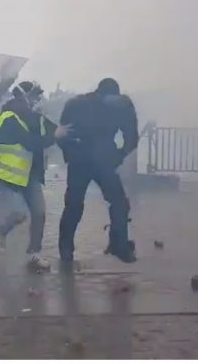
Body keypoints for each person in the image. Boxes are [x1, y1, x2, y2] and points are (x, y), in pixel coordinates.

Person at [57, 78, 139, 265]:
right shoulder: (79, 104)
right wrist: (71, 154)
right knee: (76, 205)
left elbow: (131, 137)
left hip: (99, 161)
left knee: (118, 203)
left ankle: (117, 245)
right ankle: (67, 248)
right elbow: (62, 135)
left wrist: (120, 154)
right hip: (84, 160)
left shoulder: (121, 106)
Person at [0, 81, 71, 270]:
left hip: (30, 174)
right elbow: (31, 142)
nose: (38, 100)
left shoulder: (35, 117)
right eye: (35, 96)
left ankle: (34, 253)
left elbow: (56, 130)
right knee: (19, 213)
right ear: (24, 96)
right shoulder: (9, 117)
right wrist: (55, 136)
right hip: (8, 175)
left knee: (39, 213)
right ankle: (1, 232)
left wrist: (69, 133)